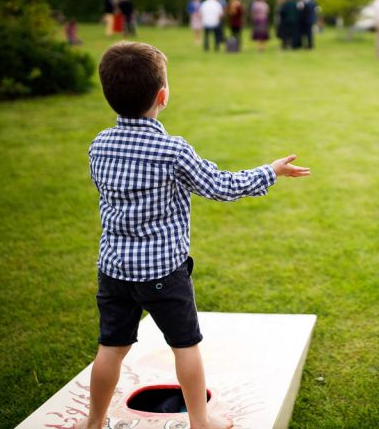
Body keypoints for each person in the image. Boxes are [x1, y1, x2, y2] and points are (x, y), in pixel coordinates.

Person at [75, 41, 310, 429]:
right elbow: (222, 186)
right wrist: (271, 171)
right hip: (164, 274)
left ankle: (93, 422)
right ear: (162, 95)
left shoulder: (99, 145)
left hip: (113, 270)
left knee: (110, 348)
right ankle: (201, 422)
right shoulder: (172, 151)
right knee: (185, 347)